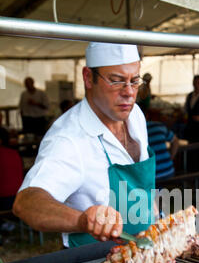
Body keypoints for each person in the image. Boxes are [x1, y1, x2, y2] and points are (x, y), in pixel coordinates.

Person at [13, 43, 156, 248]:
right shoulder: (68, 138)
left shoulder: (135, 114)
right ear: (88, 77)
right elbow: (26, 203)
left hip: (146, 249)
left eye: (134, 81)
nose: (129, 93)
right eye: (116, 81)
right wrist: (82, 220)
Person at [146, 109, 180, 180]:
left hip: (151, 175)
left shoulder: (132, 131)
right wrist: (170, 158)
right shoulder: (159, 126)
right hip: (168, 170)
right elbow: (175, 141)